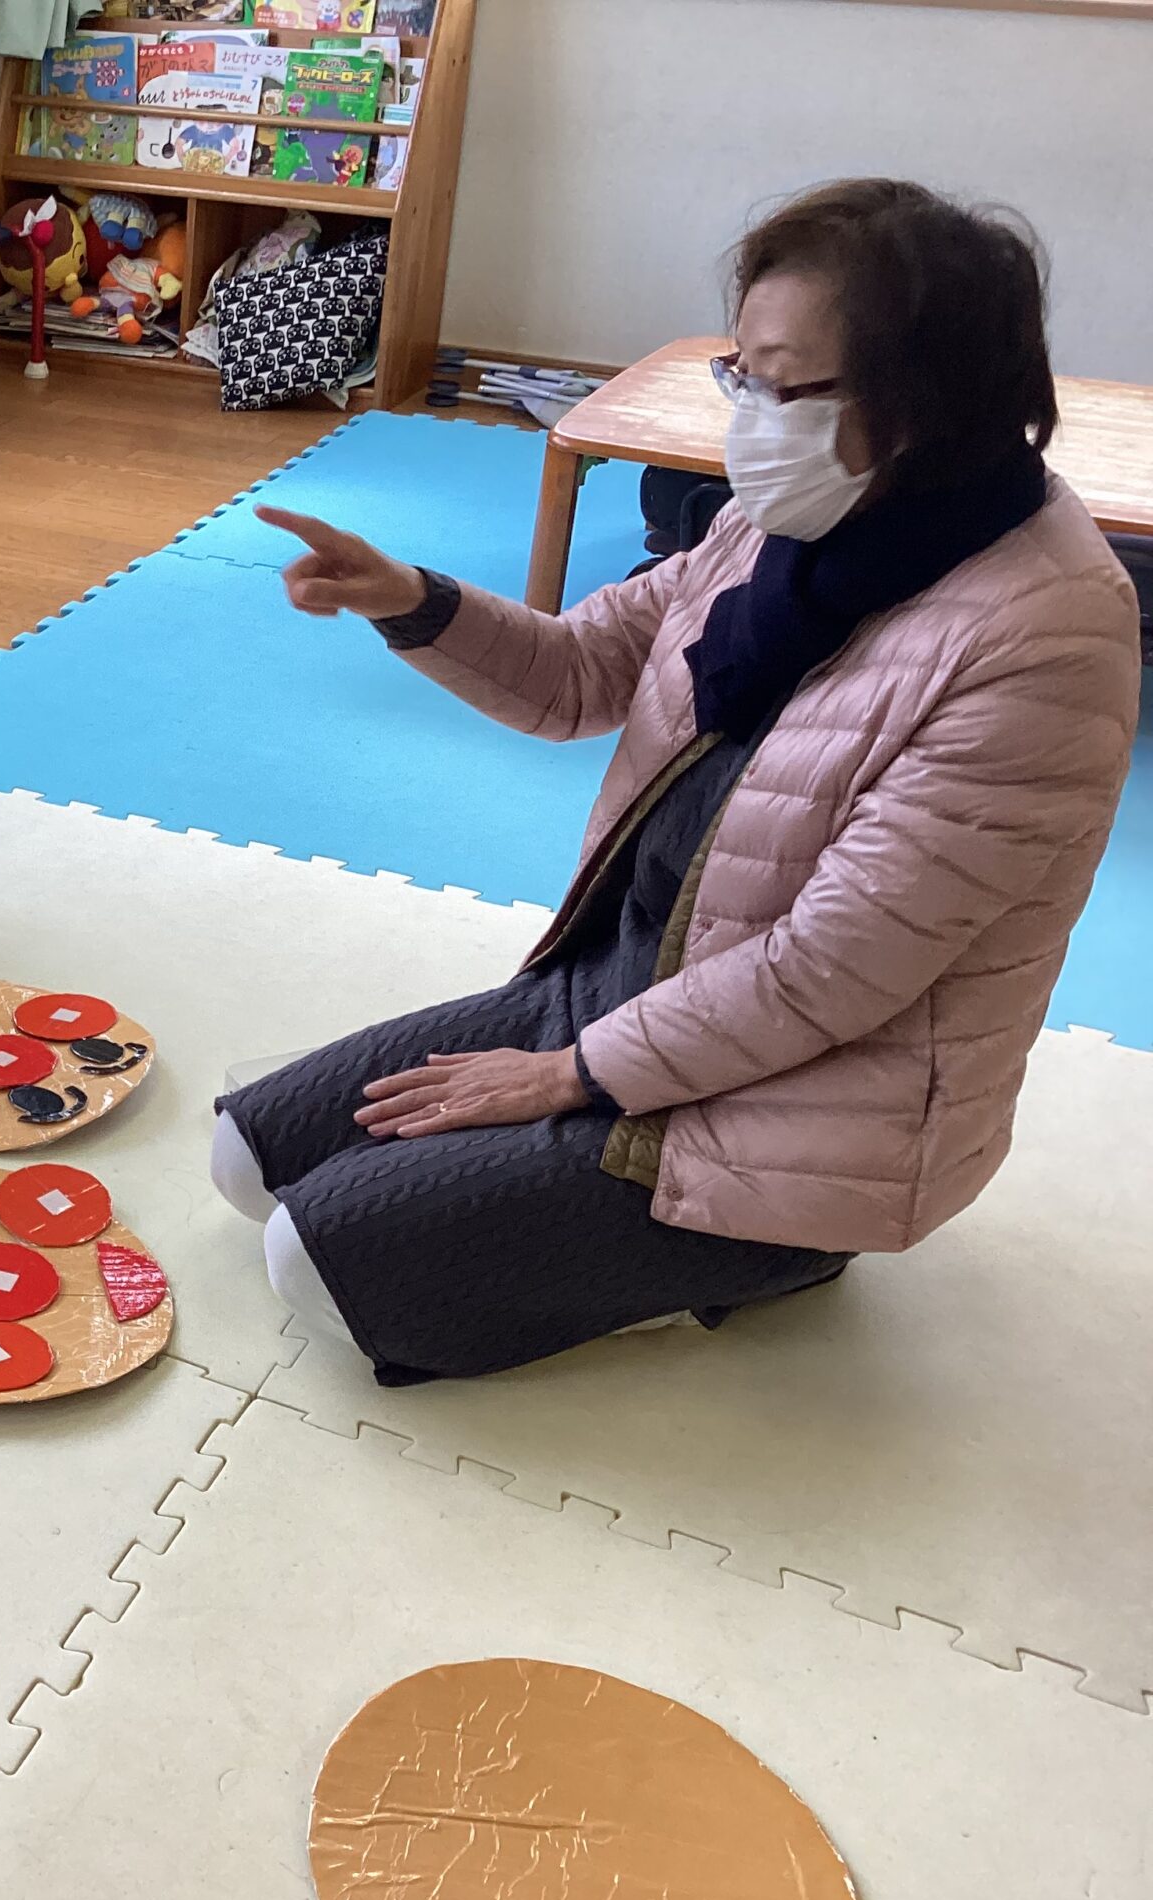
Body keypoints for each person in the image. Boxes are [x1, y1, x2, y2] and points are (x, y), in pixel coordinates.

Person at [214, 180, 1141, 1386]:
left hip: (805, 1111)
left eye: (785, 386)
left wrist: (560, 1080)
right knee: (248, 1160)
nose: (751, 419)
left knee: (315, 1262)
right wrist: (413, 603)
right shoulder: (785, 525)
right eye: (739, 375)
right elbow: (577, 673)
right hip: (628, 993)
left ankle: (773, 1256)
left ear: (925, 400)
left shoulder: (1042, 638)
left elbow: (828, 970)